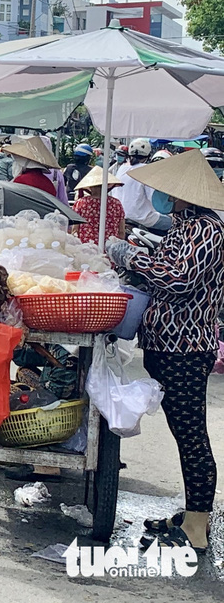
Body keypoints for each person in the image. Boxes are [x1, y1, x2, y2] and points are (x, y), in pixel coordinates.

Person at [106, 149, 224, 554]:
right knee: (182, 430)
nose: (166, 198)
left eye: (172, 193)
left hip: (186, 348)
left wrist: (130, 254)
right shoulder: (184, 226)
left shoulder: (208, 230)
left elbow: (176, 280)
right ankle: (192, 513)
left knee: (191, 434)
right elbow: (166, 265)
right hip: (165, 344)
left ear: (187, 195)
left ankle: (196, 524)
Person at [114, 138, 171, 231]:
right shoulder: (147, 170)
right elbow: (155, 200)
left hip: (121, 216)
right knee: (175, 224)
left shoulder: (121, 169)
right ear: (148, 156)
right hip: (142, 219)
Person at [71, 167, 125, 246]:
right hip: (110, 248)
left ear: (90, 187)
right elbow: (121, 232)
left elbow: (75, 230)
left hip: (87, 249)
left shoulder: (81, 203)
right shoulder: (116, 204)